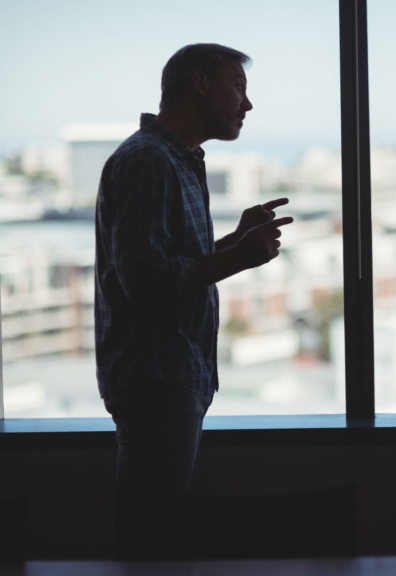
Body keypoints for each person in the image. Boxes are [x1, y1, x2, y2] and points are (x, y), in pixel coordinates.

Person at [95, 44, 293, 494]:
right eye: (238, 87)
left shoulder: (173, 159)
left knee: (157, 536)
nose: (247, 103)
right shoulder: (149, 161)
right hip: (156, 379)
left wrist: (232, 243)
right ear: (201, 84)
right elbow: (146, 282)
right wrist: (239, 257)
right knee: (152, 542)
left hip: (168, 377)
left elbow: (170, 262)